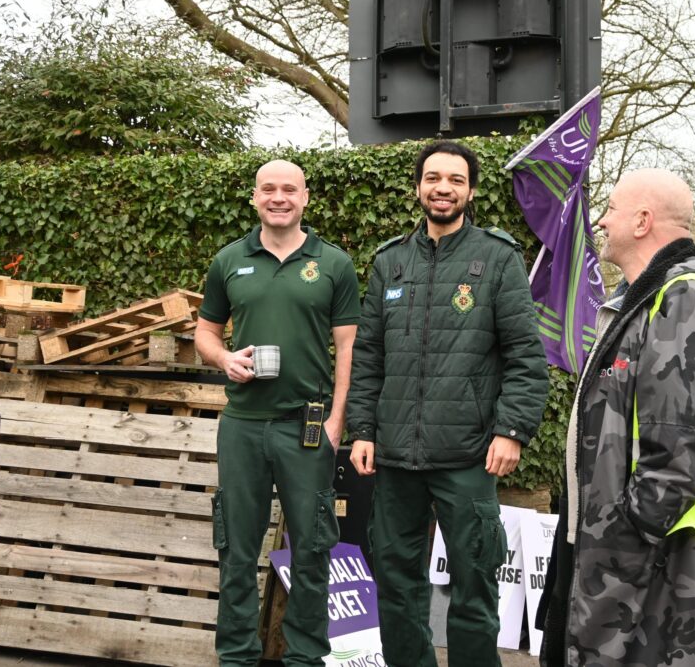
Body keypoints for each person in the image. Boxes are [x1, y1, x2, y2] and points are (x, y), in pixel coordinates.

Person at [537, 169, 695, 666]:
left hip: (677, 552)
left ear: (642, 221)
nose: (600, 219)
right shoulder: (643, 298)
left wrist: (630, 530)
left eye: (612, 209)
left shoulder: (687, 295)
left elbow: (687, 439)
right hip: (644, 546)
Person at [346, 140, 549, 666]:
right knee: (395, 583)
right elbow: (368, 356)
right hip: (394, 457)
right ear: (418, 187)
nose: (443, 188)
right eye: (433, 178)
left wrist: (512, 431)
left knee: (475, 586)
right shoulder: (389, 262)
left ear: (471, 190)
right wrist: (362, 430)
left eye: (455, 180)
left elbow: (526, 354)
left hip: (467, 455)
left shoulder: (497, 257)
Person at [195, 159, 361, 667]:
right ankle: (237, 659)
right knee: (237, 551)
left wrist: (337, 420)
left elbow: (349, 348)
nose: (279, 197)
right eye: (269, 189)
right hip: (242, 425)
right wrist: (223, 358)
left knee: (312, 549)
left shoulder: (333, 264)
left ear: (305, 197)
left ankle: (305, 658)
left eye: (289, 189)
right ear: (254, 197)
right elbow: (205, 332)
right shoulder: (229, 260)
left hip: (306, 427)